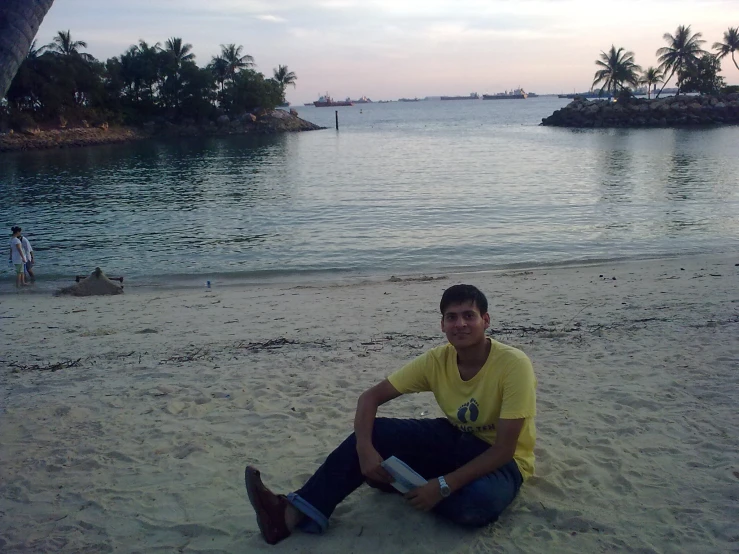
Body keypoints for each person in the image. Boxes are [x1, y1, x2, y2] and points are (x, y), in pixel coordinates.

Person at [245, 284, 537, 545]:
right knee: (374, 432)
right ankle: (288, 514)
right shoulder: (437, 360)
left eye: (468, 315)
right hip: (456, 439)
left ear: (485, 320)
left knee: (477, 505)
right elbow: (369, 398)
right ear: (442, 324)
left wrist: (443, 485)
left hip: (505, 463)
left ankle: (406, 485)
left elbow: (504, 449)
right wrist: (365, 452)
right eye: (451, 317)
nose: (460, 324)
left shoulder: (513, 364)